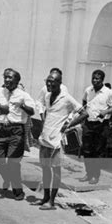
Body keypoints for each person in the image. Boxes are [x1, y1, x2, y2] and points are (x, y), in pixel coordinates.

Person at [32, 71, 84, 210]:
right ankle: (45, 198)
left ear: (60, 83)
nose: (49, 84)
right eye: (47, 81)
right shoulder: (48, 95)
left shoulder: (67, 98)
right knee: (45, 169)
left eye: (52, 82)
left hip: (56, 141)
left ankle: (52, 202)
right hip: (45, 138)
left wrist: (69, 124)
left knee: (55, 171)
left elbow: (84, 113)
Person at [0, 69, 35, 200]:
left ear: (17, 81)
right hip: (1, 130)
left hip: (16, 131)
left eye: (10, 78)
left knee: (13, 163)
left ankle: (18, 191)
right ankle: (7, 177)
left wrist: (22, 105)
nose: (7, 80)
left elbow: (32, 111)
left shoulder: (23, 95)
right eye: (5, 77)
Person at [77, 70, 112, 184]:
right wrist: (83, 116)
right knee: (87, 150)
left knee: (97, 151)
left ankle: (95, 176)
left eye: (97, 79)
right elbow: (84, 102)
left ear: (102, 80)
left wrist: (106, 111)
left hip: (101, 125)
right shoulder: (88, 90)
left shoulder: (108, 92)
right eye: (93, 78)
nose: (95, 80)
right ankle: (88, 174)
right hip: (88, 124)